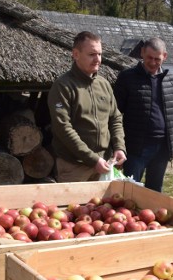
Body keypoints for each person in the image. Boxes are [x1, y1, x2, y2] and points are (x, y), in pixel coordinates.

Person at [48, 31, 126, 182]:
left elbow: (115, 118)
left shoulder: (104, 84)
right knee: (74, 206)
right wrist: (92, 159)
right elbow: (63, 128)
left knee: (106, 206)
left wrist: (119, 147)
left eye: (100, 54)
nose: (97, 59)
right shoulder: (63, 86)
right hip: (74, 167)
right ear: (76, 54)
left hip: (105, 164)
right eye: (91, 54)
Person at [113, 37, 173, 192]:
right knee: (130, 190)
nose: (152, 62)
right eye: (149, 57)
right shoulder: (127, 77)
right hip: (136, 146)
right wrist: (117, 144)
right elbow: (115, 113)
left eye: (157, 59)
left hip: (162, 148)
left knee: (155, 191)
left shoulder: (171, 79)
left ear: (165, 57)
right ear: (142, 53)